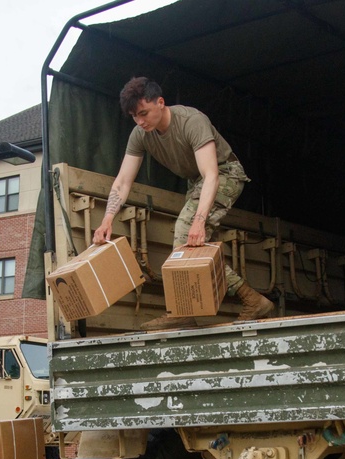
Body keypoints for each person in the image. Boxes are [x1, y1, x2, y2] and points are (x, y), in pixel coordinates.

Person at [92, 76, 274, 330]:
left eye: (144, 113)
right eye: (134, 116)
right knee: (191, 245)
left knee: (186, 232)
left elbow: (212, 174)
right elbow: (123, 182)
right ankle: (246, 301)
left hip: (224, 173)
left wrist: (199, 221)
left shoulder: (191, 121)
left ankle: (192, 309)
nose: (140, 121)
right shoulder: (140, 135)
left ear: (160, 102)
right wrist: (107, 220)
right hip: (198, 182)